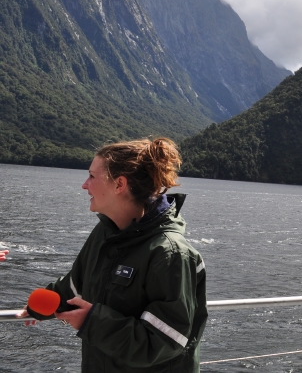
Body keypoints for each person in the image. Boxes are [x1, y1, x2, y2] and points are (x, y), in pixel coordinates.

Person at [18, 138, 207, 372]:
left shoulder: (170, 253)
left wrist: (93, 322)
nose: (84, 185)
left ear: (119, 184)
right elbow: (77, 285)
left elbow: (165, 342)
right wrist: (44, 304)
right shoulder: (105, 233)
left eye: (92, 176)